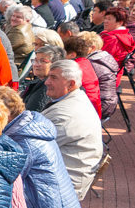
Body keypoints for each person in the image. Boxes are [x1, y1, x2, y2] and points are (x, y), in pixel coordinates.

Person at [0, 86, 82, 208]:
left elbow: (1, 180)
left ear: (6, 115)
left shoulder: (23, 142)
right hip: (53, 206)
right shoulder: (27, 127)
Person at [41, 60, 104, 200]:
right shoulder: (73, 99)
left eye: (54, 78)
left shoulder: (66, 114)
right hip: (64, 173)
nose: (47, 82)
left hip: (65, 185)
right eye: (49, 76)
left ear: (71, 84)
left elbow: (35, 149)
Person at [63, 36, 102, 118]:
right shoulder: (86, 62)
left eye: (64, 53)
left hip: (84, 112)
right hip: (94, 109)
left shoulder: (74, 68)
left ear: (72, 55)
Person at [83, 31, 119, 119]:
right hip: (109, 103)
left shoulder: (91, 63)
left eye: (82, 46)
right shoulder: (103, 58)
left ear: (92, 48)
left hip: (101, 107)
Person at [100, 6, 135, 86]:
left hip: (106, 77)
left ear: (120, 22)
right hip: (115, 74)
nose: (105, 21)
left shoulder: (113, 39)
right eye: (105, 18)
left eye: (109, 19)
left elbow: (102, 60)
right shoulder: (126, 35)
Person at [20, 45, 64, 112]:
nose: (36, 64)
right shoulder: (39, 82)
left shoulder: (48, 86)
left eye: (43, 61)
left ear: (55, 64)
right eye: (35, 61)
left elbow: (33, 111)